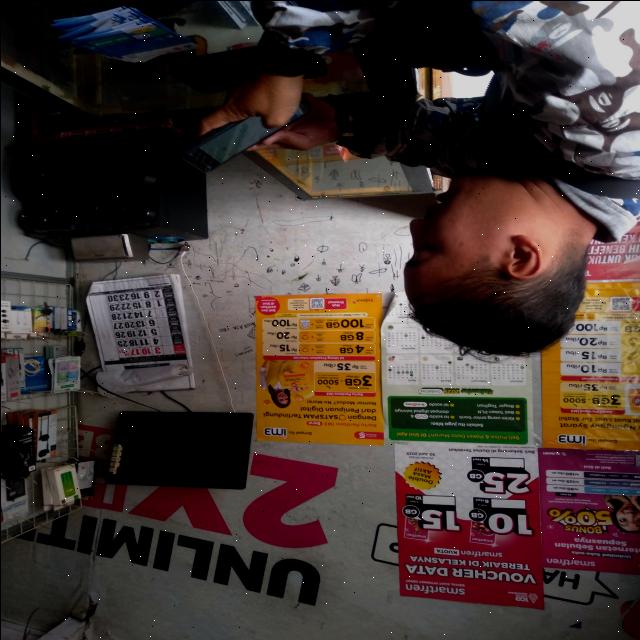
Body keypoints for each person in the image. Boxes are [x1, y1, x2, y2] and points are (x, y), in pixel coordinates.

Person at [202, 2, 639, 355]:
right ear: (522, 256)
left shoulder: (555, 181)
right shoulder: (613, 100)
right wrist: (283, 63)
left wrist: (339, 123)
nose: (415, 227)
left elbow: (449, 140)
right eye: (431, 249)